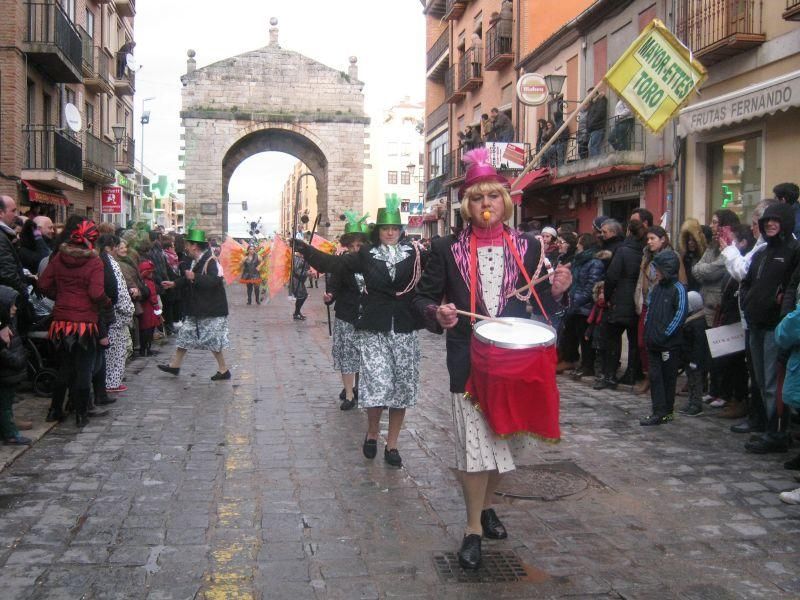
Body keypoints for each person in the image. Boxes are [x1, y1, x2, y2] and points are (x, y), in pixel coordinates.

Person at [414, 147, 571, 570]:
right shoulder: (446, 249)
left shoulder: (530, 248)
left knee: (503, 447)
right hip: (467, 363)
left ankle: (485, 506)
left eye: (493, 197)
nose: (487, 205)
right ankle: (472, 528)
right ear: (468, 206)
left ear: (505, 202)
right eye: (479, 198)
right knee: (473, 451)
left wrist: (556, 293)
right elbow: (424, 299)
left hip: (513, 365)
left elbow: (541, 312)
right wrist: (438, 314)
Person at [295, 194, 425, 469]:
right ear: (377, 231)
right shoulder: (365, 254)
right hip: (374, 328)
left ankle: (392, 444)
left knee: (401, 389)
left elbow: (429, 283)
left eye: (394, 228)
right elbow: (334, 265)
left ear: (401, 230)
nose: (390, 232)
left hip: (403, 329)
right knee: (376, 386)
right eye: (385, 228)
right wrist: (305, 250)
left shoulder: (414, 254)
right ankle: (372, 432)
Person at [740, 203, 800, 454]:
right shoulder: (763, 252)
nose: (770, 225)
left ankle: (777, 433)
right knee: (761, 380)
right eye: (766, 222)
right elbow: (747, 281)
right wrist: (746, 299)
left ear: (785, 222)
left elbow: (791, 286)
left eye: (775, 221)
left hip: (775, 326)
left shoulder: (793, 251)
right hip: (755, 322)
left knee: (773, 383)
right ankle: (768, 428)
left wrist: (783, 312)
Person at [38, 219, 109, 428]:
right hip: (85, 323)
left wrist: (59, 296)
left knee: (65, 366)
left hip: (61, 321)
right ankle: (81, 413)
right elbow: (96, 293)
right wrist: (106, 302)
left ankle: (54, 409)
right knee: (84, 368)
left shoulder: (60, 257)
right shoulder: (95, 262)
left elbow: (43, 284)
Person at [157, 228, 231, 381]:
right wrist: (174, 284)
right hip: (197, 309)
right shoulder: (195, 261)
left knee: (213, 340)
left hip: (211, 309)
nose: (186, 247)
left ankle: (224, 370)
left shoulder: (211, 261)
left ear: (194, 246)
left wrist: (195, 277)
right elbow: (188, 279)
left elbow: (215, 281)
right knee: (184, 335)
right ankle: (175, 366)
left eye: (188, 245)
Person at [640, 249, 688, 426]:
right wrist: (648, 331)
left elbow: (680, 314)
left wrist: (665, 334)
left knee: (668, 378)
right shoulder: (657, 288)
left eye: (658, 269)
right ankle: (658, 411)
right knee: (655, 377)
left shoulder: (678, 289)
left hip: (669, 344)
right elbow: (650, 310)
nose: (656, 273)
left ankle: (667, 411)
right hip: (653, 342)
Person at [596, 219, 644, 389]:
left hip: (620, 299)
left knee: (612, 338)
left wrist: (607, 297)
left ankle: (609, 376)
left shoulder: (623, 250)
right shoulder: (644, 251)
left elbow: (612, 276)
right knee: (633, 339)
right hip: (637, 300)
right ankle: (631, 373)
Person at [323, 229, 368, 411]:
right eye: (352, 246)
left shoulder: (371, 264)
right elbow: (333, 287)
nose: (356, 249)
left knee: (362, 357)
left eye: (359, 245)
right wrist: (330, 296)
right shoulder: (342, 264)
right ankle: (349, 394)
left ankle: (357, 387)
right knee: (348, 356)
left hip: (365, 318)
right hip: (346, 316)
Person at [563, 234, 605, 379]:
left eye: (580, 242)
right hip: (575, 304)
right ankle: (581, 364)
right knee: (577, 336)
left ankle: (588, 366)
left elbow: (591, 286)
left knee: (586, 338)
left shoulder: (594, 263)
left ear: (585, 244)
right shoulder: (579, 260)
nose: (577, 245)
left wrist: (577, 300)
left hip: (585, 306)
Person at [98, 235, 134, 394]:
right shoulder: (111, 264)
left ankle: (109, 381)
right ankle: (112, 382)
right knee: (116, 351)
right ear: (109, 248)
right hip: (116, 315)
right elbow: (119, 291)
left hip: (110, 313)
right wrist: (128, 309)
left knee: (113, 350)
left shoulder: (104, 262)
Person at [0, 285, 31, 445]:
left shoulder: (6, 324)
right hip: (7, 373)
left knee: (7, 404)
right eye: (11, 305)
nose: (15, 308)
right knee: (5, 406)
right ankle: (10, 433)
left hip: (10, 373)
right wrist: (17, 361)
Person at [678, 291, 708, 417]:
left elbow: (699, 345)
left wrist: (695, 360)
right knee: (690, 381)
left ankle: (696, 404)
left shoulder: (698, 323)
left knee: (696, 382)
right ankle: (691, 401)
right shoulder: (690, 321)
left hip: (695, 359)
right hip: (688, 357)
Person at [137, 260, 160, 357]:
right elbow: (153, 297)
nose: (152, 274)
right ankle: (147, 349)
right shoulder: (149, 282)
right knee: (149, 330)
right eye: (150, 272)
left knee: (143, 329)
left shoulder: (141, 281)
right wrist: (157, 308)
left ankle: (143, 349)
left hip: (143, 308)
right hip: (150, 309)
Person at [678, 218, 707, 293]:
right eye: (688, 240)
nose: (690, 243)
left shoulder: (704, 255)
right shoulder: (683, 257)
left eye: (693, 240)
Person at [586, 88, 608, 157]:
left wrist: (591, 123)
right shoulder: (593, 103)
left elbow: (600, 113)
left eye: (590, 93)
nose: (589, 96)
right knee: (592, 146)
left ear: (595, 93)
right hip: (593, 128)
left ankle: (596, 162)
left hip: (598, 128)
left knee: (592, 146)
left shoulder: (601, 100)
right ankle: (595, 162)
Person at [290, 250, 309, 320]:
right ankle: (296, 313)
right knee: (302, 296)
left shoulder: (301, 257)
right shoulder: (296, 258)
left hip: (299, 280)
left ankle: (297, 312)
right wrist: (307, 273)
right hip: (296, 281)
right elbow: (297, 270)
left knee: (302, 296)